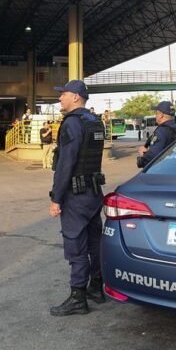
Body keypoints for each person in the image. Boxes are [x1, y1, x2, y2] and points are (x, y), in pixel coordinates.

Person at [48, 79, 106, 316]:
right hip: (94, 192)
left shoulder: (72, 123)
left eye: (63, 94)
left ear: (75, 97)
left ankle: (78, 298)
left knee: (76, 246)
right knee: (95, 242)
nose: (60, 98)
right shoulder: (95, 121)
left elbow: (66, 163)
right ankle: (96, 288)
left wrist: (56, 198)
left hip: (76, 195)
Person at [137, 101, 176, 168]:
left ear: (161, 115)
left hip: (164, 169)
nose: (155, 116)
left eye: (156, 113)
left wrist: (143, 155)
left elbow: (152, 157)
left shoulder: (161, 131)